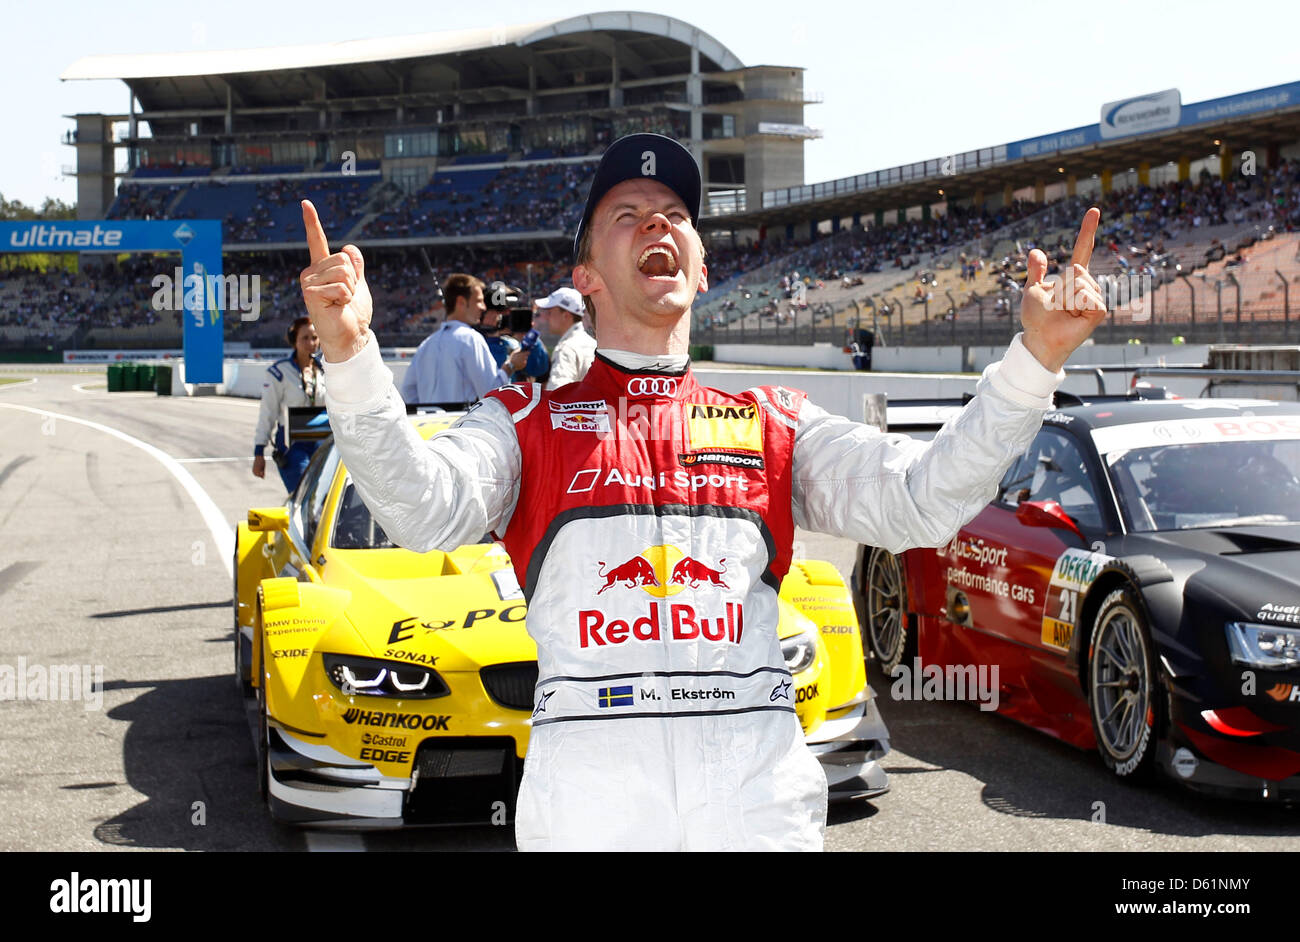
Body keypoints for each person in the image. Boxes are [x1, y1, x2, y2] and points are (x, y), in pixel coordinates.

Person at [298, 133, 1107, 852]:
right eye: (627, 213)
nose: (657, 222)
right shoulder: (525, 422)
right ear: (586, 278)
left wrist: (1033, 362)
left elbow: (921, 501)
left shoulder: (773, 421)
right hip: (592, 803)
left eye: (674, 213)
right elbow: (421, 506)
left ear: (702, 265)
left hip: (753, 800)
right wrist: (350, 353)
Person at [399, 273, 528, 405]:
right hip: (461, 422)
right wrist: (510, 365)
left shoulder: (426, 344)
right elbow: (491, 392)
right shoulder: (471, 339)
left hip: (431, 423)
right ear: (461, 302)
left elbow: (408, 392)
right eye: (478, 301)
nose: (483, 307)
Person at [251, 315, 324, 493]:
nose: (311, 343)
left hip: (322, 442)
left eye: (314, 338)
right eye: (304, 338)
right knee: (303, 496)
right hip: (292, 445)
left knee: (325, 499)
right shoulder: (279, 372)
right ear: (294, 341)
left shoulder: (326, 370)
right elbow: (267, 413)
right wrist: (259, 452)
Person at [536, 286, 596, 389]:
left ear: (566, 316)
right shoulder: (593, 342)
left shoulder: (566, 348)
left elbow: (557, 394)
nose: (547, 317)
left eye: (550, 312)